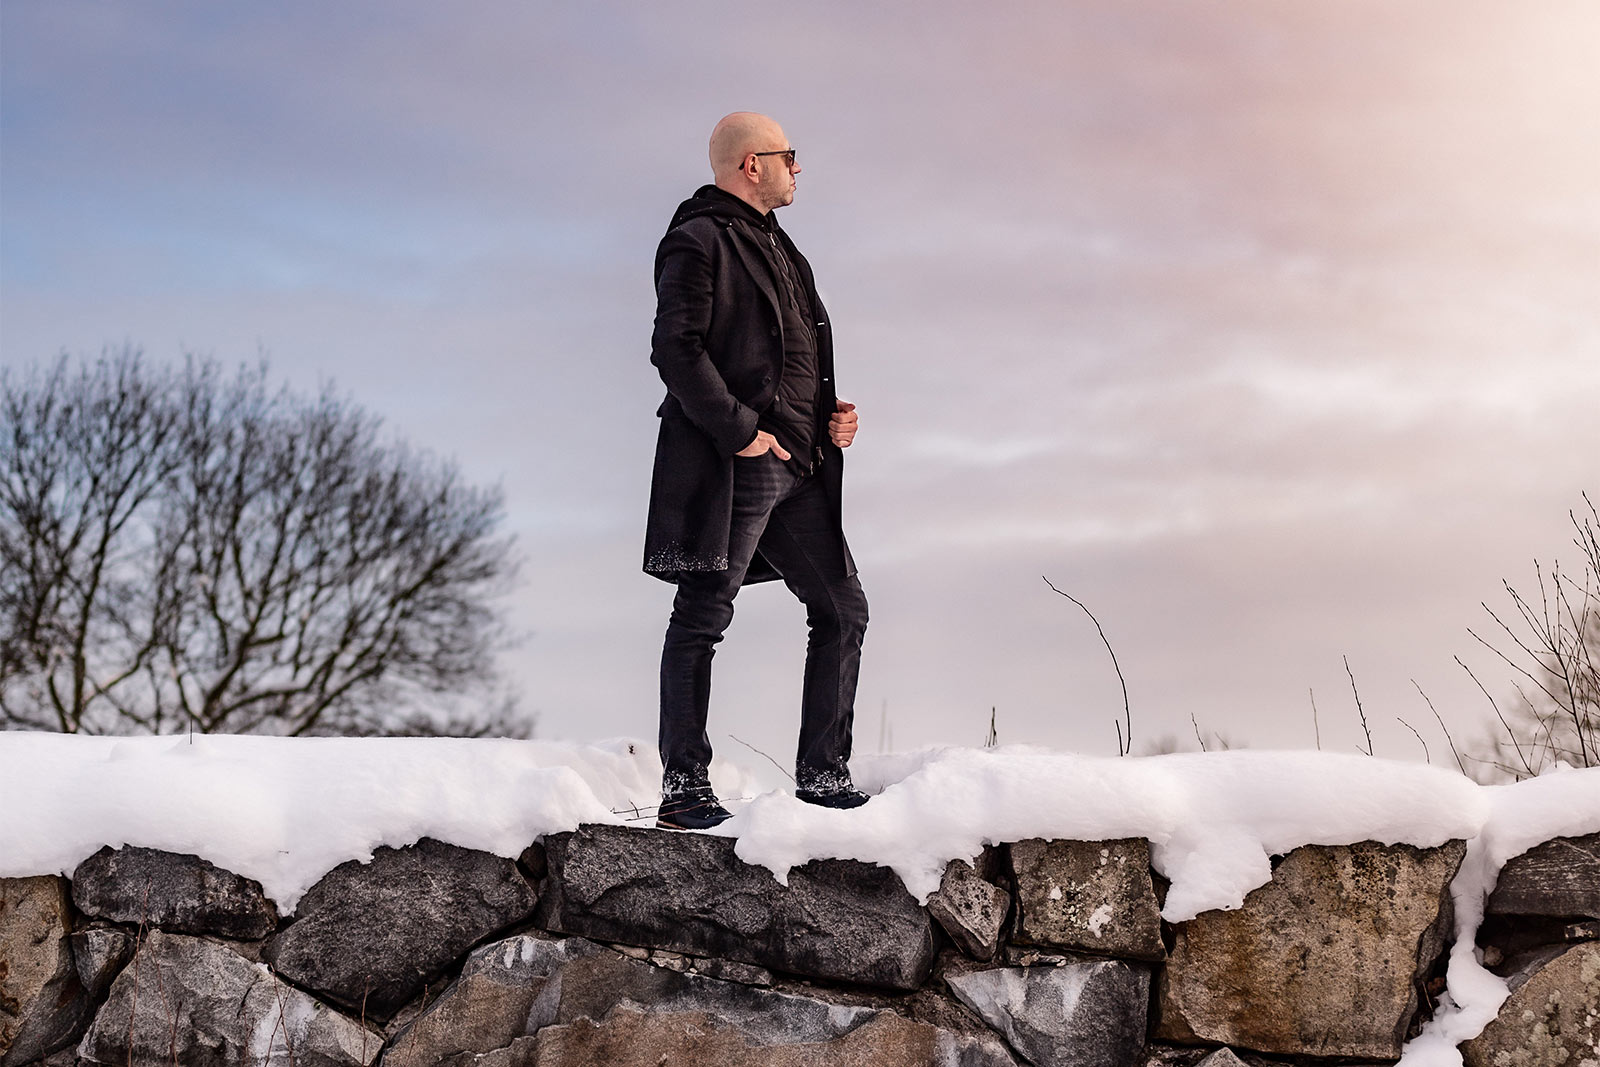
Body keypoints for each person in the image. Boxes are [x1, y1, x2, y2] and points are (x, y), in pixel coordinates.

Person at [644, 112, 870, 829]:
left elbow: (786, 355)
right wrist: (742, 432)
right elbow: (675, 350)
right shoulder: (697, 238)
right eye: (789, 156)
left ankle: (824, 774)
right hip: (739, 462)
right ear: (752, 164)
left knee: (842, 609)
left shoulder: (780, 248)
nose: (798, 168)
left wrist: (831, 416)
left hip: (802, 465)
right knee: (703, 616)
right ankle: (685, 788)